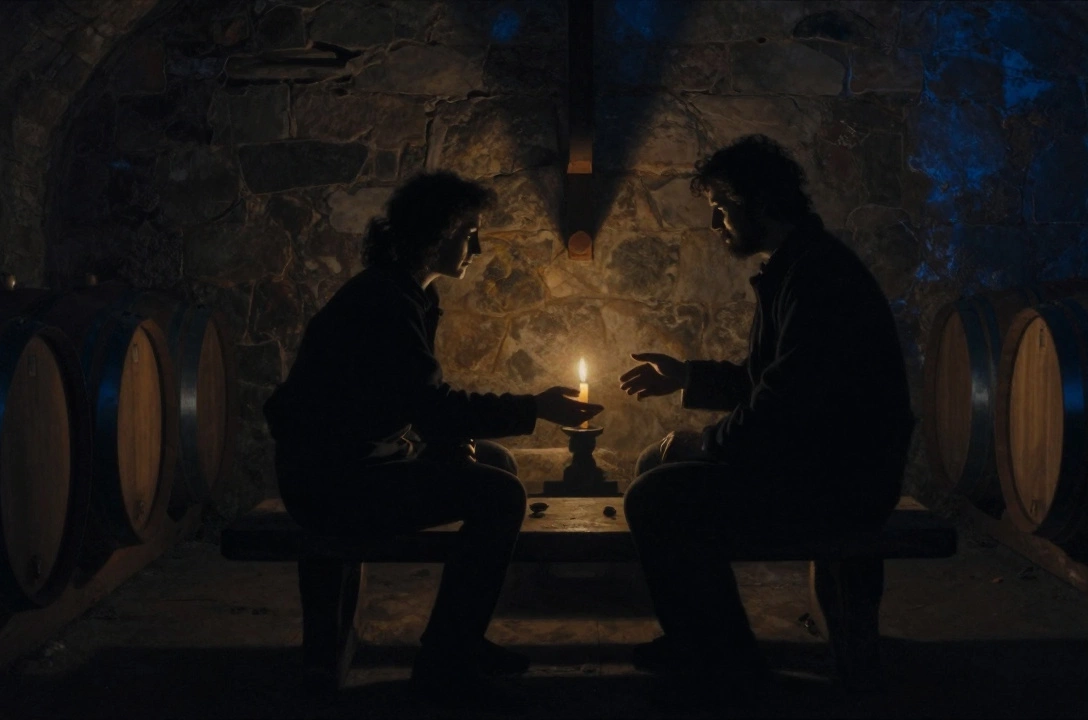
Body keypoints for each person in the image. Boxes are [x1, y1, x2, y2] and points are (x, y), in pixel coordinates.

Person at [263, 172, 603, 702]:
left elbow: (405, 399)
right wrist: (535, 408)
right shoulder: (386, 302)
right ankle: (444, 664)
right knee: (500, 496)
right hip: (334, 483)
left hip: (364, 458)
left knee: (495, 462)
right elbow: (432, 408)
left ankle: (461, 639)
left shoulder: (409, 292)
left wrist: (442, 438)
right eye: (469, 233)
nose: (477, 248)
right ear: (435, 233)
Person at [617, 135, 915, 694]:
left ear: (760, 203)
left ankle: (728, 660)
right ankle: (698, 640)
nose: (715, 224)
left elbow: (784, 405)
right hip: (817, 463)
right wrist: (687, 377)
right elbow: (770, 380)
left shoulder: (816, 277)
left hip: (839, 481)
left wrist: (705, 443)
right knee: (657, 468)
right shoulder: (796, 265)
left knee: (655, 497)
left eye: (722, 209)